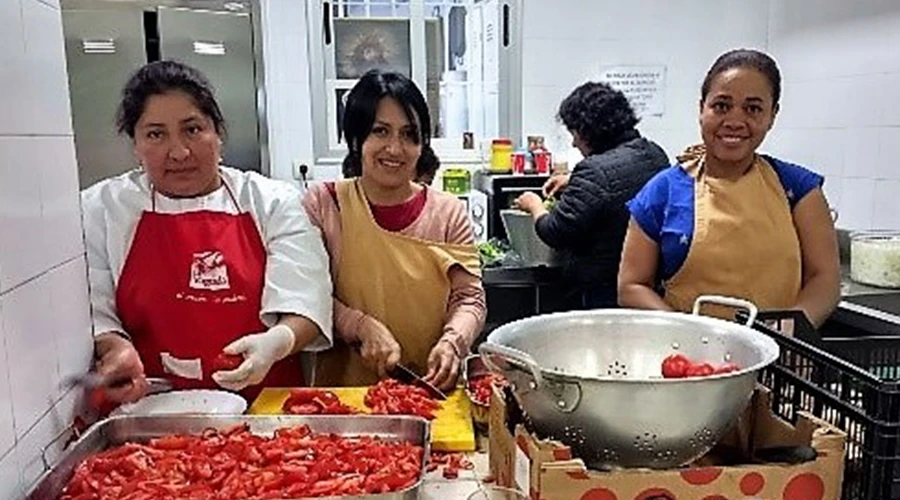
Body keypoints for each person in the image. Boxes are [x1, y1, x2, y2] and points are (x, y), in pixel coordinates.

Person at [82, 61, 333, 404]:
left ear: (218, 133)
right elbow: (92, 308)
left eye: (193, 129)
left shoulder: (272, 202)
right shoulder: (104, 208)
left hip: (269, 415)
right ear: (136, 144)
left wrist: (278, 342)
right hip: (149, 417)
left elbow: (306, 298)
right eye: (156, 134)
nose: (179, 152)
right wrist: (115, 346)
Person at [618, 49, 840, 327]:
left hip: (778, 357)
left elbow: (826, 279)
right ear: (702, 108)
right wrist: (688, 332)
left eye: (753, 108)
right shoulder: (663, 191)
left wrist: (785, 333)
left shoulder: (798, 189)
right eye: (722, 106)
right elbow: (631, 286)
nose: (735, 121)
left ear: (772, 115)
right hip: (685, 357)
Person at [303, 69, 486, 391]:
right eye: (380, 131)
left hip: (432, 390)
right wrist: (359, 326)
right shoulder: (325, 203)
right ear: (356, 138)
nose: (395, 148)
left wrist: (453, 342)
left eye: (409, 134)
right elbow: (305, 297)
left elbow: (469, 298)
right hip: (345, 398)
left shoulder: (448, 213)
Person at [513, 82, 669, 308]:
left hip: (601, 288)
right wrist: (574, 182)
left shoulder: (593, 170)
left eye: (574, 133)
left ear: (589, 130)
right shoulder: (654, 153)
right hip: (648, 283)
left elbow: (555, 231)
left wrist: (534, 205)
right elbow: (620, 186)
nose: (574, 142)